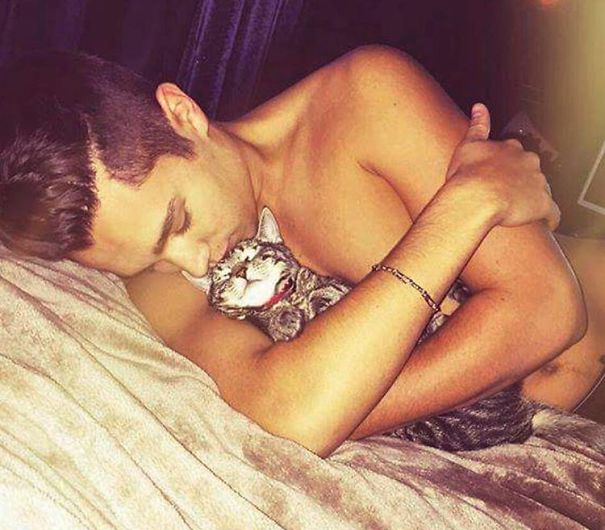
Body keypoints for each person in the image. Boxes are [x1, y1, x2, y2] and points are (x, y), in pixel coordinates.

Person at [0, 48, 602, 457]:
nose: (192, 264)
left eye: (177, 223)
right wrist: (465, 207)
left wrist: (330, 396)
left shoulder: (364, 98)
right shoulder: (160, 279)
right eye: (150, 261)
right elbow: (289, 415)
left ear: (182, 114)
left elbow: (549, 309)